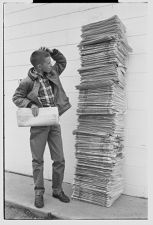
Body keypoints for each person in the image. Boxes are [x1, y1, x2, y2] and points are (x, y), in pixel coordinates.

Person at [12, 47, 71, 208]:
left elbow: (62, 62)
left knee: (59, 159)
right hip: (38, 125)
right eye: (48, 62)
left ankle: (57, 190)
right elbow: (16, 97)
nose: (51, 64)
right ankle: (39, 192)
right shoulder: (27, 81)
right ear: (39, 66)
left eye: (51, 62)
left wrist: (52, 52)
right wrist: (29, 104)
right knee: (37, 160)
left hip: (54, 122)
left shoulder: (52, 72)